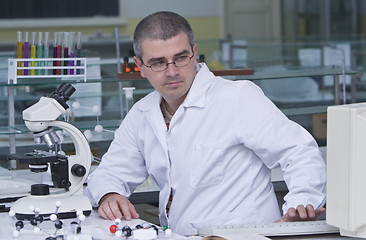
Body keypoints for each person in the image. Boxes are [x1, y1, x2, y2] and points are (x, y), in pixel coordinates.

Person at [86, 11, 326, 236]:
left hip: (245, 236)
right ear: (140, 67)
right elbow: (109, 172)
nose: (172, 71)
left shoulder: (237, 98)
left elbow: (298, 151)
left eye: (180, 58)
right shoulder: (142, 114)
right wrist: (109, 194)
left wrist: (300, 205)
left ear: (194, 52)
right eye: (158, 63)